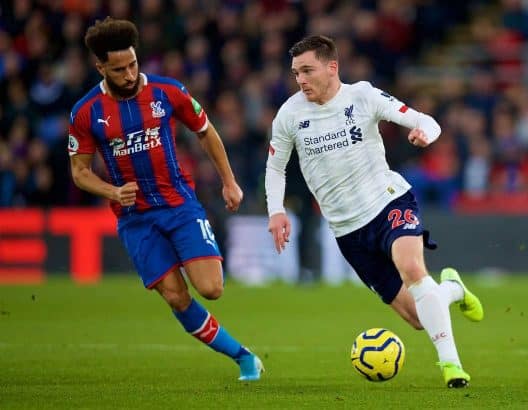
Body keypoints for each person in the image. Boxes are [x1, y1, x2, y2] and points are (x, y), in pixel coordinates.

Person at [265, 35, 483, 388]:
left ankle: (451, 366)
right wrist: (276, 211)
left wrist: (425, 134)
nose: (300, 79)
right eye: (295, 73)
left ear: (332, 67)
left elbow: (425, 120)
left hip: (388, 202)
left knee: (413, 267)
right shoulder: (290, 114)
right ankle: (452, 290)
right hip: (347, 230)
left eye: (307, 70)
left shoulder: (362, 96)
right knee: (417, 318)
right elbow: (275, 168)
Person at [68, 17, 263, 381]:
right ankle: (243, 357)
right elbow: (79, 171)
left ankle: (239, 351)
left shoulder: (167, 91)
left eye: (133, 64)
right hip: (134, 218)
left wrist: (229, 182)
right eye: (119, 69)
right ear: (100, 68)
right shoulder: (86, 112)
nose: (129, 74)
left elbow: (205, 132)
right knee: (175, 296)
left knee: (212, 288)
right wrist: (112, 191)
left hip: (178, 203)